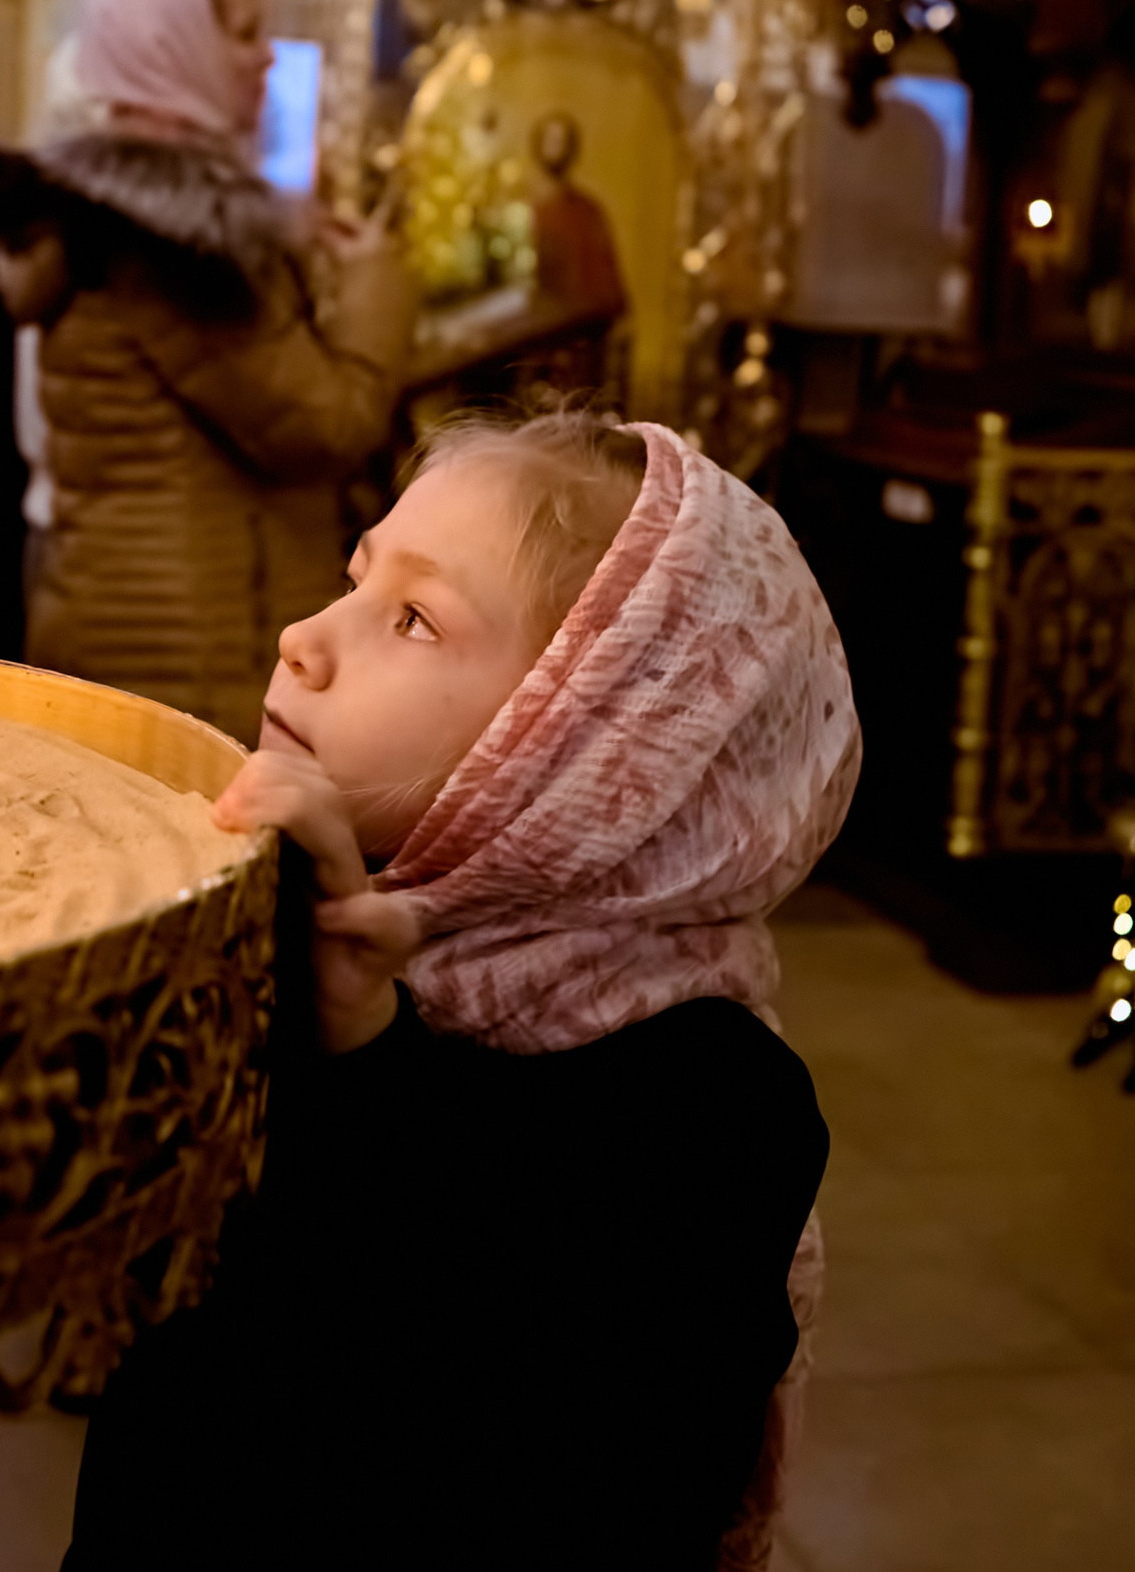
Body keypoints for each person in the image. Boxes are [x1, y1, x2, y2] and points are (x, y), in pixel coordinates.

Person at [63, 410, 856, 1568]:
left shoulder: (717, 1108)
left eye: (415, 620)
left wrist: (365, 1058)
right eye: (355, 575)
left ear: (592, 751)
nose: (302, 638)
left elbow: (564, 1465)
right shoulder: (262, 916)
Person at [0, 0, 416, 744]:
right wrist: (377, 286)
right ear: (169, 45)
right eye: (244, 31)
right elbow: (325, 423)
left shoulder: (120, 219)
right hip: (186, 649)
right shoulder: (179, 242)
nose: (266, 57)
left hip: (143, 621)